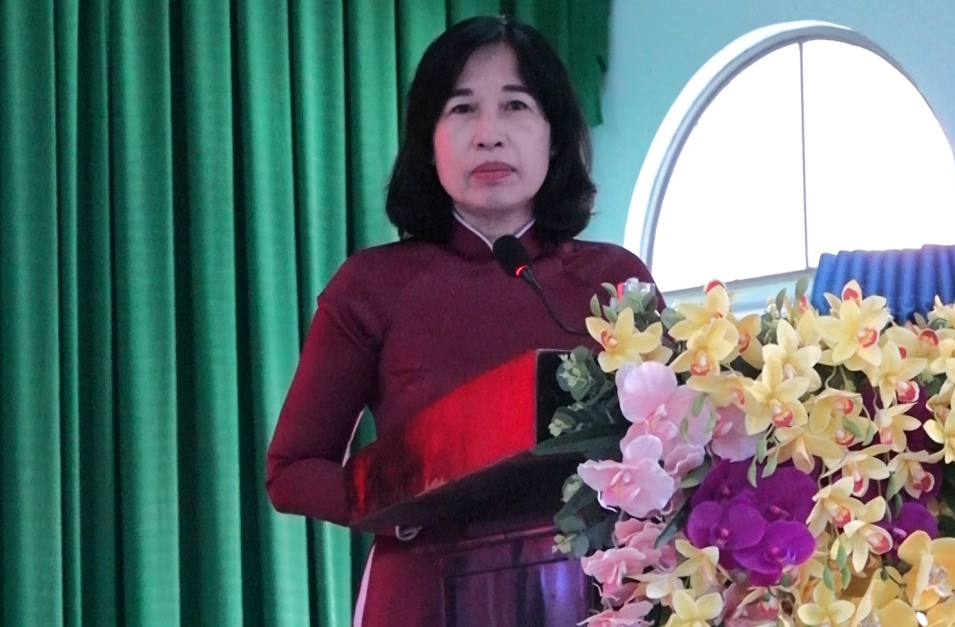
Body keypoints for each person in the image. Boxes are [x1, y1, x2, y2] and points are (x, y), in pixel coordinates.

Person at [265, 15, 661, 626]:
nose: (488, 135)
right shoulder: (373, 284)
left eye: (515, 106)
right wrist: (403, 499)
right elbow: (291, 472)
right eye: (462, 109)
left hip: (589, 597)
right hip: (423, 598)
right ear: (429, 142)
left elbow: (669, 445)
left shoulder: (615, 280)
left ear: (555, 135)